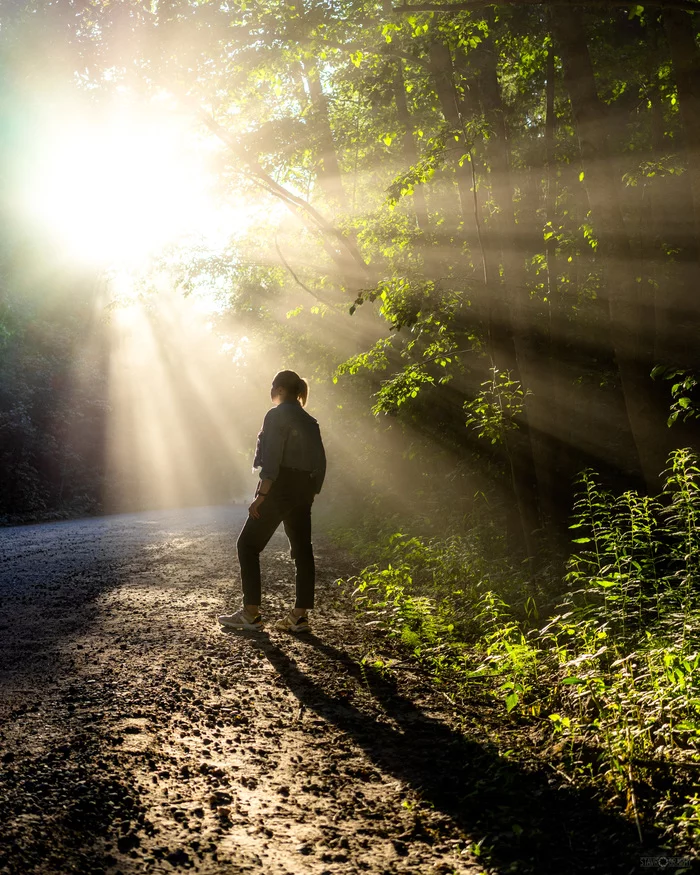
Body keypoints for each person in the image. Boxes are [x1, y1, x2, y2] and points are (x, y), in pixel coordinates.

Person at [218, 370, 326, 633]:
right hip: (304, 489)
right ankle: (299, 617)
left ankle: (251, 614)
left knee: (247, 544)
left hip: (279, 487)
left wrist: (262, 495)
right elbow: (321, 462)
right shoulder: (310, 421)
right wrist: (311, 491)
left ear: (279, 388)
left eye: (272, 385)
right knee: (302, 551)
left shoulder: (276, 415)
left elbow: (272, 459)